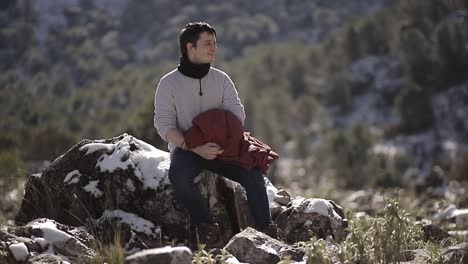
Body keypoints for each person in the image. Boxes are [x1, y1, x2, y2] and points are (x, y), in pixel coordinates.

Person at [153, 22, 276, 243]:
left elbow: (237, 113)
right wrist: (194, 146)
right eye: (207, 43)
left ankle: (267, 232)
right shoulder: (168, 83)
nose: (213, 48)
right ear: (190, 47)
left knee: (255, 177)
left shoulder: (221, 79)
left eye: (215, 43)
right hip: (188, 149)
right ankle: (206, 224)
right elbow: (164, 124)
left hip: (225, 146)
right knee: (178, 177)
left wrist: (218, 136)